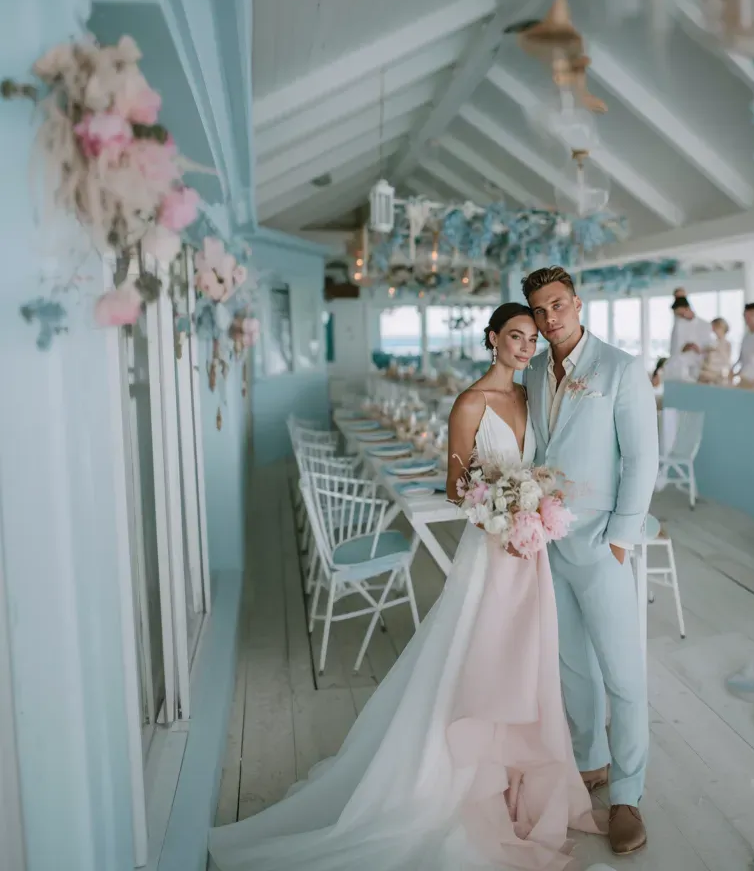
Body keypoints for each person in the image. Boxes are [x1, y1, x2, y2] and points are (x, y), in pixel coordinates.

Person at [208, 302, 605, 871]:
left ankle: (517, 777)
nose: (525, 346)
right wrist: (504, 510)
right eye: (514, 336)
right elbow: (455, 486)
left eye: (532, 338)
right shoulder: (471, 403)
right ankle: (459, 778)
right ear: (492, 338)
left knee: (527, 659)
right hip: (493, 551)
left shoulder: (529, 398)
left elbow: (540, 465)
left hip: (531, 552)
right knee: (479, 655)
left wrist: (536, 506)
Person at [523, 267, 659, 856]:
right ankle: (591, 761)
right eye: (541, 310)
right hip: (546, 543)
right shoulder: (532, 370)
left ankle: (627, 794)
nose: (550, 318)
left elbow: (642, 460)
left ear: (577, 303)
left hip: (602, 543)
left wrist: (621, 540)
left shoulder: (621, 369)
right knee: (572, 664)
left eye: (558, 305)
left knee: (623, 675)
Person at [664, 295, 713, 382]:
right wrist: (683, 348)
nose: (680, 317)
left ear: (687, 309)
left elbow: (710, 347)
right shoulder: (678, 326)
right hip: (681, 367)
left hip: (700, 366)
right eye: (678, 315)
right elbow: (674, 349)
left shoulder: (704, 325)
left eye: (681, 314)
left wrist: (699, 349)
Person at [698, 317, 732, 385]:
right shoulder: (711, 343)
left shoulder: (726, 344)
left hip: (717, 374)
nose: (714, 330)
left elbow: (726, 361)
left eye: (716, 328)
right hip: (707, 373)